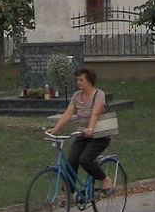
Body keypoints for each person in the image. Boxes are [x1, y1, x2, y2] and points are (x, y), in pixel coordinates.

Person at [47, 65, 113, 194]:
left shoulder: (98, 94)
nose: (78, 82)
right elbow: (68, 114)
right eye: (77, 80)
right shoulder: (77, 96)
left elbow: (95, 113)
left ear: (89, 80)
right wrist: (55, 129)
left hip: (99, 136)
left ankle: (105, 179)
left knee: (85, 160)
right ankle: (69, 194)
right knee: (72, 160)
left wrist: (90, 128)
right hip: (83, 134)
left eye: (81, 80)